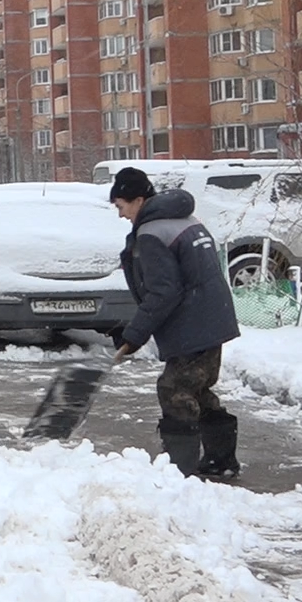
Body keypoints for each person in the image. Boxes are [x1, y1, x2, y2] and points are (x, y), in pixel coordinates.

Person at [109, 166, 243, 479]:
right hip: (212, 316)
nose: (120, 215)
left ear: (139, 200)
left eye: (121, 206)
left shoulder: (153, 233)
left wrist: (133, 336)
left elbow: (163, 292)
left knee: (174, 390)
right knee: (196, 389)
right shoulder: (183, 218)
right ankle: (221, 460)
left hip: (193, 323)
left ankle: (179, 472)